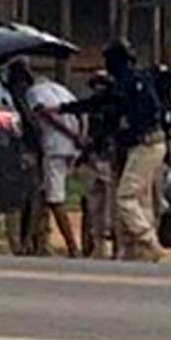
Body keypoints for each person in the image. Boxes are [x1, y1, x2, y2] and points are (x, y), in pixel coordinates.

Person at [99, 39, 167, 262]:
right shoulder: (123, 82)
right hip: (139, 145)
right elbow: (103, 104)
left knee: (126, 196)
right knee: (141, 198)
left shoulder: (135, 81)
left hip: (147, 142)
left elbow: (147, 112)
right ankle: (140, 251)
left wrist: (127, 126)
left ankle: (148, 241)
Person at [24, 62, 84, 259]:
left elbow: (44, 114)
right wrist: (79, 135)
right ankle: (28, 243)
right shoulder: (61, 90)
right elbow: (79, 111)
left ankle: (72, 247)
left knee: (55, 199)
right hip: (72, 147)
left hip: (55, 146)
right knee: (42, 194)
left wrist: (68, 133)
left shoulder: (33, 92)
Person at [59, 70, 119, 259]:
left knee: (113, 208)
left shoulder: (115, 107)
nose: (99, 88)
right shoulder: (91, 107)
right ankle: (94, 245)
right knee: (93, 206)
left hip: (110, 161)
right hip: (93, 160)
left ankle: (115, 247)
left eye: (103, 84)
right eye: (96, 84)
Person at [2, 58, 49, 256]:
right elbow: (32, 127)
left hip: (11, 151)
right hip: (26, 151)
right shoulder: (22, 98)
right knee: (32, 199)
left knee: (16, 201)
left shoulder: (2, 95)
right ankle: (27, 242)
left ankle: (19, 242)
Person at [151, 64, 171, 230]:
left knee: (157, 198)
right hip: (146, 155)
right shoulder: (148, 101)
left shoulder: (170, 104)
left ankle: (154, 230)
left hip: (161, 159)